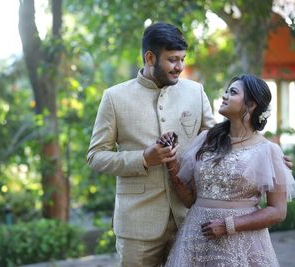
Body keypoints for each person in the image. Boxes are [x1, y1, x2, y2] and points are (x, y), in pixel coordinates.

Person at [87, 21, 215, 267]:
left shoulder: (195, 92)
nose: (180, 67)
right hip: (137, 225)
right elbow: (95, 156)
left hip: (187, 217)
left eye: (182, 59)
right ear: (149, 57)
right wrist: (144, 158)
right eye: (172, 60)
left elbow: (217, 142)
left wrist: (264, 153)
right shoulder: (114, 98)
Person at [163, 74, 295, 266]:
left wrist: (229, 226)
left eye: (232, 92)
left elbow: (277, 211)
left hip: (241, 244)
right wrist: (170, 162)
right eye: (226, 91)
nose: (224, 96)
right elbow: (189, 199)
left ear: (251, 105)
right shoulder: (206, 139)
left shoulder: (268, 151)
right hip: (196, 238)